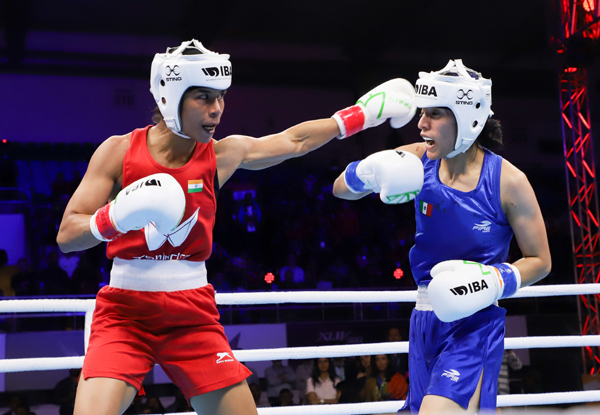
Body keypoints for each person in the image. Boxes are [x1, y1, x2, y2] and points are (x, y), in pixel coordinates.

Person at [55, 39, 416, 415]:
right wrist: (112, 217)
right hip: (124, 313)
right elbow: (67, 235)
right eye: (204, 98)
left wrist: (361, 116)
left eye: (221, 98)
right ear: (171, 97)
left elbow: (294, 141)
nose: (217, 110)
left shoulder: (221, 155)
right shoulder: (118, 151)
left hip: (191, 313)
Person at [333, 59, 551, 414]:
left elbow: (541, 261)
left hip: (475, 322)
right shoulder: (418, 160)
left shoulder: (508, 181)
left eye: (435, 113)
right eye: (422, 112)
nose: (421, 124)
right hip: (424, 319)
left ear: (466, 119)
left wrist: (493, 280)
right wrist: (368, 171)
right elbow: (340, 189)